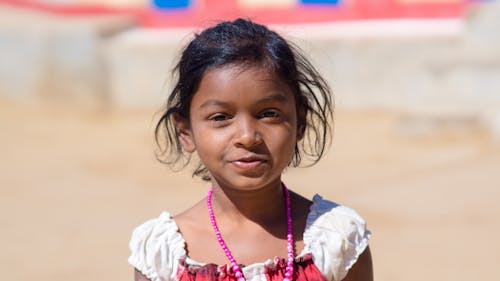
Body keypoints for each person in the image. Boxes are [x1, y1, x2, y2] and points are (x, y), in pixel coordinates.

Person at [128, 18, 373, 281]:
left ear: (300, 121)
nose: (247, 136)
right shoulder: (163, 254)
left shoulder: (337, 240)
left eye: (268, 114)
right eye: (220, 117)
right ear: (185, 132)